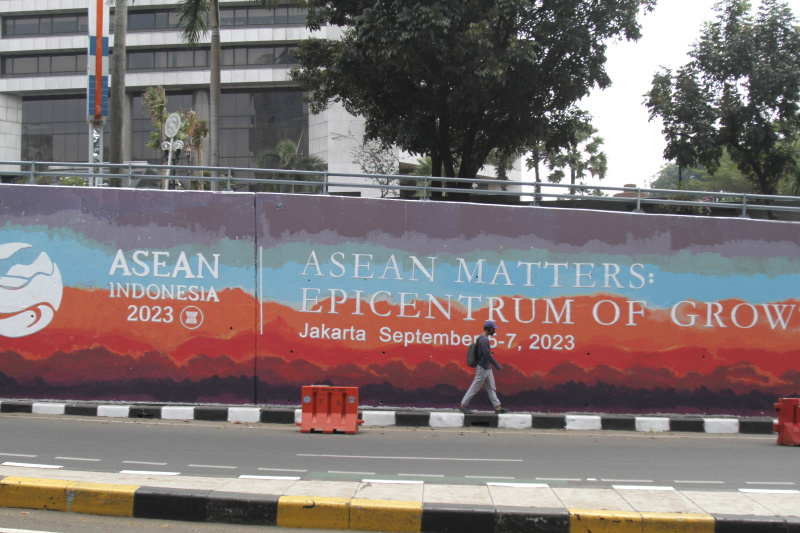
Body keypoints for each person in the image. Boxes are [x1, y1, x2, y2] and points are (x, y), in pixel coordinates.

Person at [459, 320, 508, 414]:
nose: (494, 331)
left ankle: (497, 407)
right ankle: (463, 405)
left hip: (487, 367)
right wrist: (497, 365)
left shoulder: (483, 338)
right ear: (488, 329)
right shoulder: (484, 339)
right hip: (482, 368)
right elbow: (487, 354)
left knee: (491, 387)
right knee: (475, 387)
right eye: (493, 329)